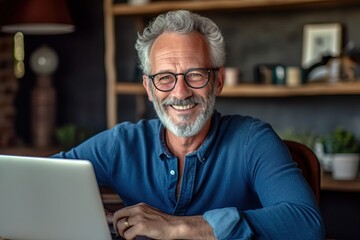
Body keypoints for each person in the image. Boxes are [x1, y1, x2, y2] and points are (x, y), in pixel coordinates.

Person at [53, 10, 324, 240]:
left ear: (218, 80)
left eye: (194, 75)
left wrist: (180, 226)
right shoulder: (121, 144)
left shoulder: (252, 140)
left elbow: (306, 222)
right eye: (165, 77)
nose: (180, 93)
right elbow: (45, 180)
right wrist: (94, 220)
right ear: (149, 87)